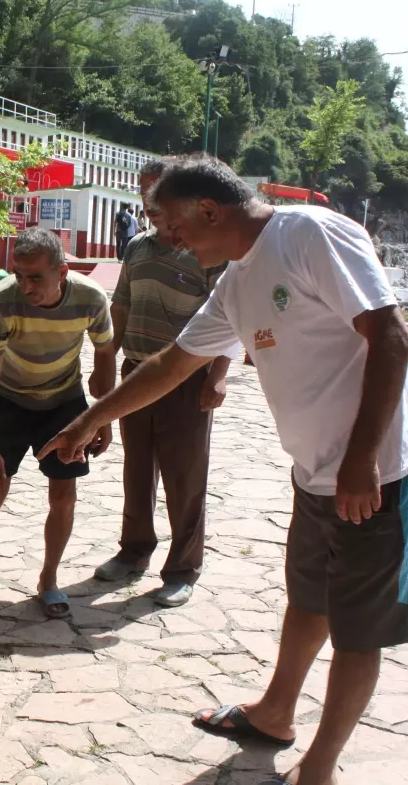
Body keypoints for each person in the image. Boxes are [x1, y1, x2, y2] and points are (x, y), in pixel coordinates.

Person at [39, 156, 408, 785]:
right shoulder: (236, 280)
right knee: (308, 601)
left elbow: (392, 337)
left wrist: (363, 460)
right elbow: (174, 363)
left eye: (166, 219)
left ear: (207, 210)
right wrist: (91, 420)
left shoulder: (310, 234)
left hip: (378, 472)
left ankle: (320, 768)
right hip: (315, 471)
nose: (166, 234)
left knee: (360, 628)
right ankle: (276, 712)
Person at [0, 227, 116, 642]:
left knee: (63, 495)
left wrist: (101, 419)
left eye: (35, 278)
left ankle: (48, 578)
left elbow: (103, 358)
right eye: (19, 275)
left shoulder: (91, 298)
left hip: (63, 404)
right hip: (8, 400)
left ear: (62, 271)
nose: (25, 287)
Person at [94, 159, 233, 607]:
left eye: (156, 191)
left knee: (184, 477)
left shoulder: (204, 251)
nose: (147, 199)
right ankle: (133, 551)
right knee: (136, 470)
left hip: (186, 379)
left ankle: (183, 568)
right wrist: (106, 360)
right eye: (143, 191)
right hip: (136, 373)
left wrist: (218, 376)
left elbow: (227, 317)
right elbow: (122, 306)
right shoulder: (136, 247)